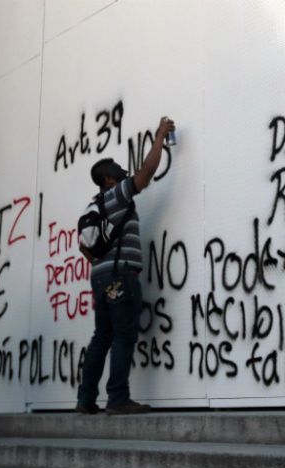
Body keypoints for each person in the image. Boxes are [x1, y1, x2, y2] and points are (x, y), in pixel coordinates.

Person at [76, 116, 176, 415]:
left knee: (101, 337)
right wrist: (159, 137)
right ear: (108, 179)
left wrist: (99, 264)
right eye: (117, 170)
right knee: (123, 335)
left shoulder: (92, 206)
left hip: (100, 277)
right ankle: (118, 398)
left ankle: (85, 399)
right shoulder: (115, 195)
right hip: (121, 276)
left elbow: (83, 245)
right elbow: (145, 175)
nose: (123, 171)